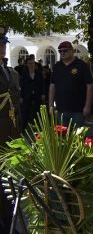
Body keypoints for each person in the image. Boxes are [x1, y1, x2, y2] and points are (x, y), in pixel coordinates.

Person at [0, 27, 21, 233]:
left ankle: (9, 218)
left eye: (4, 45)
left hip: (9, 133)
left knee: (7, 177)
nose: (2, 49)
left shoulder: (9, 71)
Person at [48, 41, 93, 127]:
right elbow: (52, 86)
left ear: (72, 50)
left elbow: (90, 86)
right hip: (61, 109)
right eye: (60, 51)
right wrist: (50, 104)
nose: (62, 53)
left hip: (78, 110)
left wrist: (88, 106)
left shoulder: (81, 65)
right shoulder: (57, 66)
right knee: (63, 137)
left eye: (65, 50)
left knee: (79, 137)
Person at [20, 56, 45, 132]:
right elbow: (21, 86)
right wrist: (21, 97)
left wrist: (43, 94)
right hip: (27, 96)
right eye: (30, 63)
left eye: (33, 63)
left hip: (37, 95)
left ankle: (40, 130)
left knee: (37, 112)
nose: (31, 65)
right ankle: (22, 129)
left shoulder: (39, 73)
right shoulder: (24, 73)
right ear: (27, 64)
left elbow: (43, 84)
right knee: (25, 112)